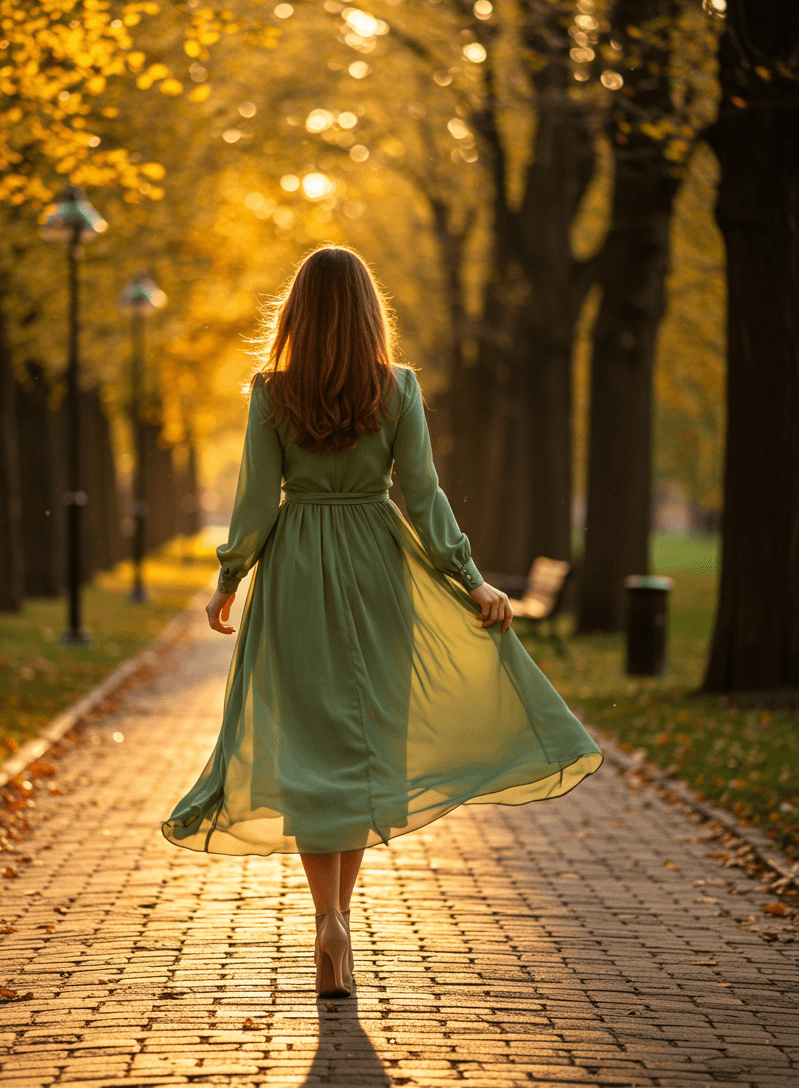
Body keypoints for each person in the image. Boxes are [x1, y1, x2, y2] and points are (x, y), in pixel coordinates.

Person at [162, 245, 602, 998]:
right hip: (377, 566)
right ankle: (345, 918)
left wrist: (229, 579)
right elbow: (425, 498)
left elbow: (257, 502)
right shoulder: (396, 388)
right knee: (364, 744)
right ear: (371, 312)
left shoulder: (270, 393)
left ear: (297, 311)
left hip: (297, 568)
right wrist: (469, 579)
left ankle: (322, 916)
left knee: (305, 746)